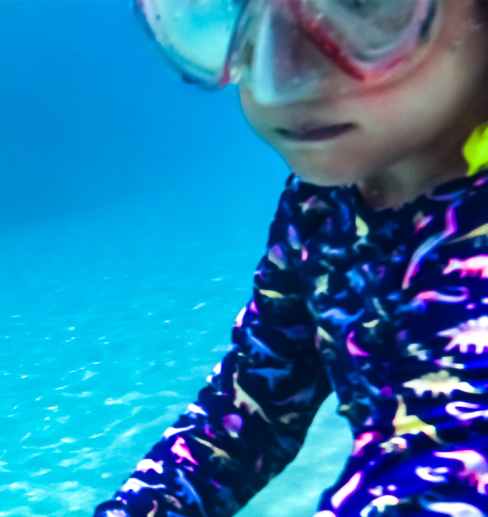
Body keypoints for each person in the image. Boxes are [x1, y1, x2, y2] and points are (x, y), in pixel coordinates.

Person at [93, 1, 488, 516]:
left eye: (359, 2)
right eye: (225, 6)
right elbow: (250, 413)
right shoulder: (323, 204)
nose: (278, 77)